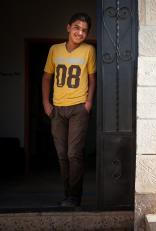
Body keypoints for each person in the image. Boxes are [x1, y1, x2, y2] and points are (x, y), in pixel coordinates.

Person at [42, 12, 96, 207]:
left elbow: (92, 78)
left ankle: (75, 197)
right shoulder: (54, 50)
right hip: (57, 109)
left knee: (74, 153)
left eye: (84, 30)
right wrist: (46, 104)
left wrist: (88, 103)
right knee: (62, 155)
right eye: (77, 28)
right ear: (68, 27)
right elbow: (47, 77)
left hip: (78, 108)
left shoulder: (88, 50)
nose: (80, 33)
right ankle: (67, 195)